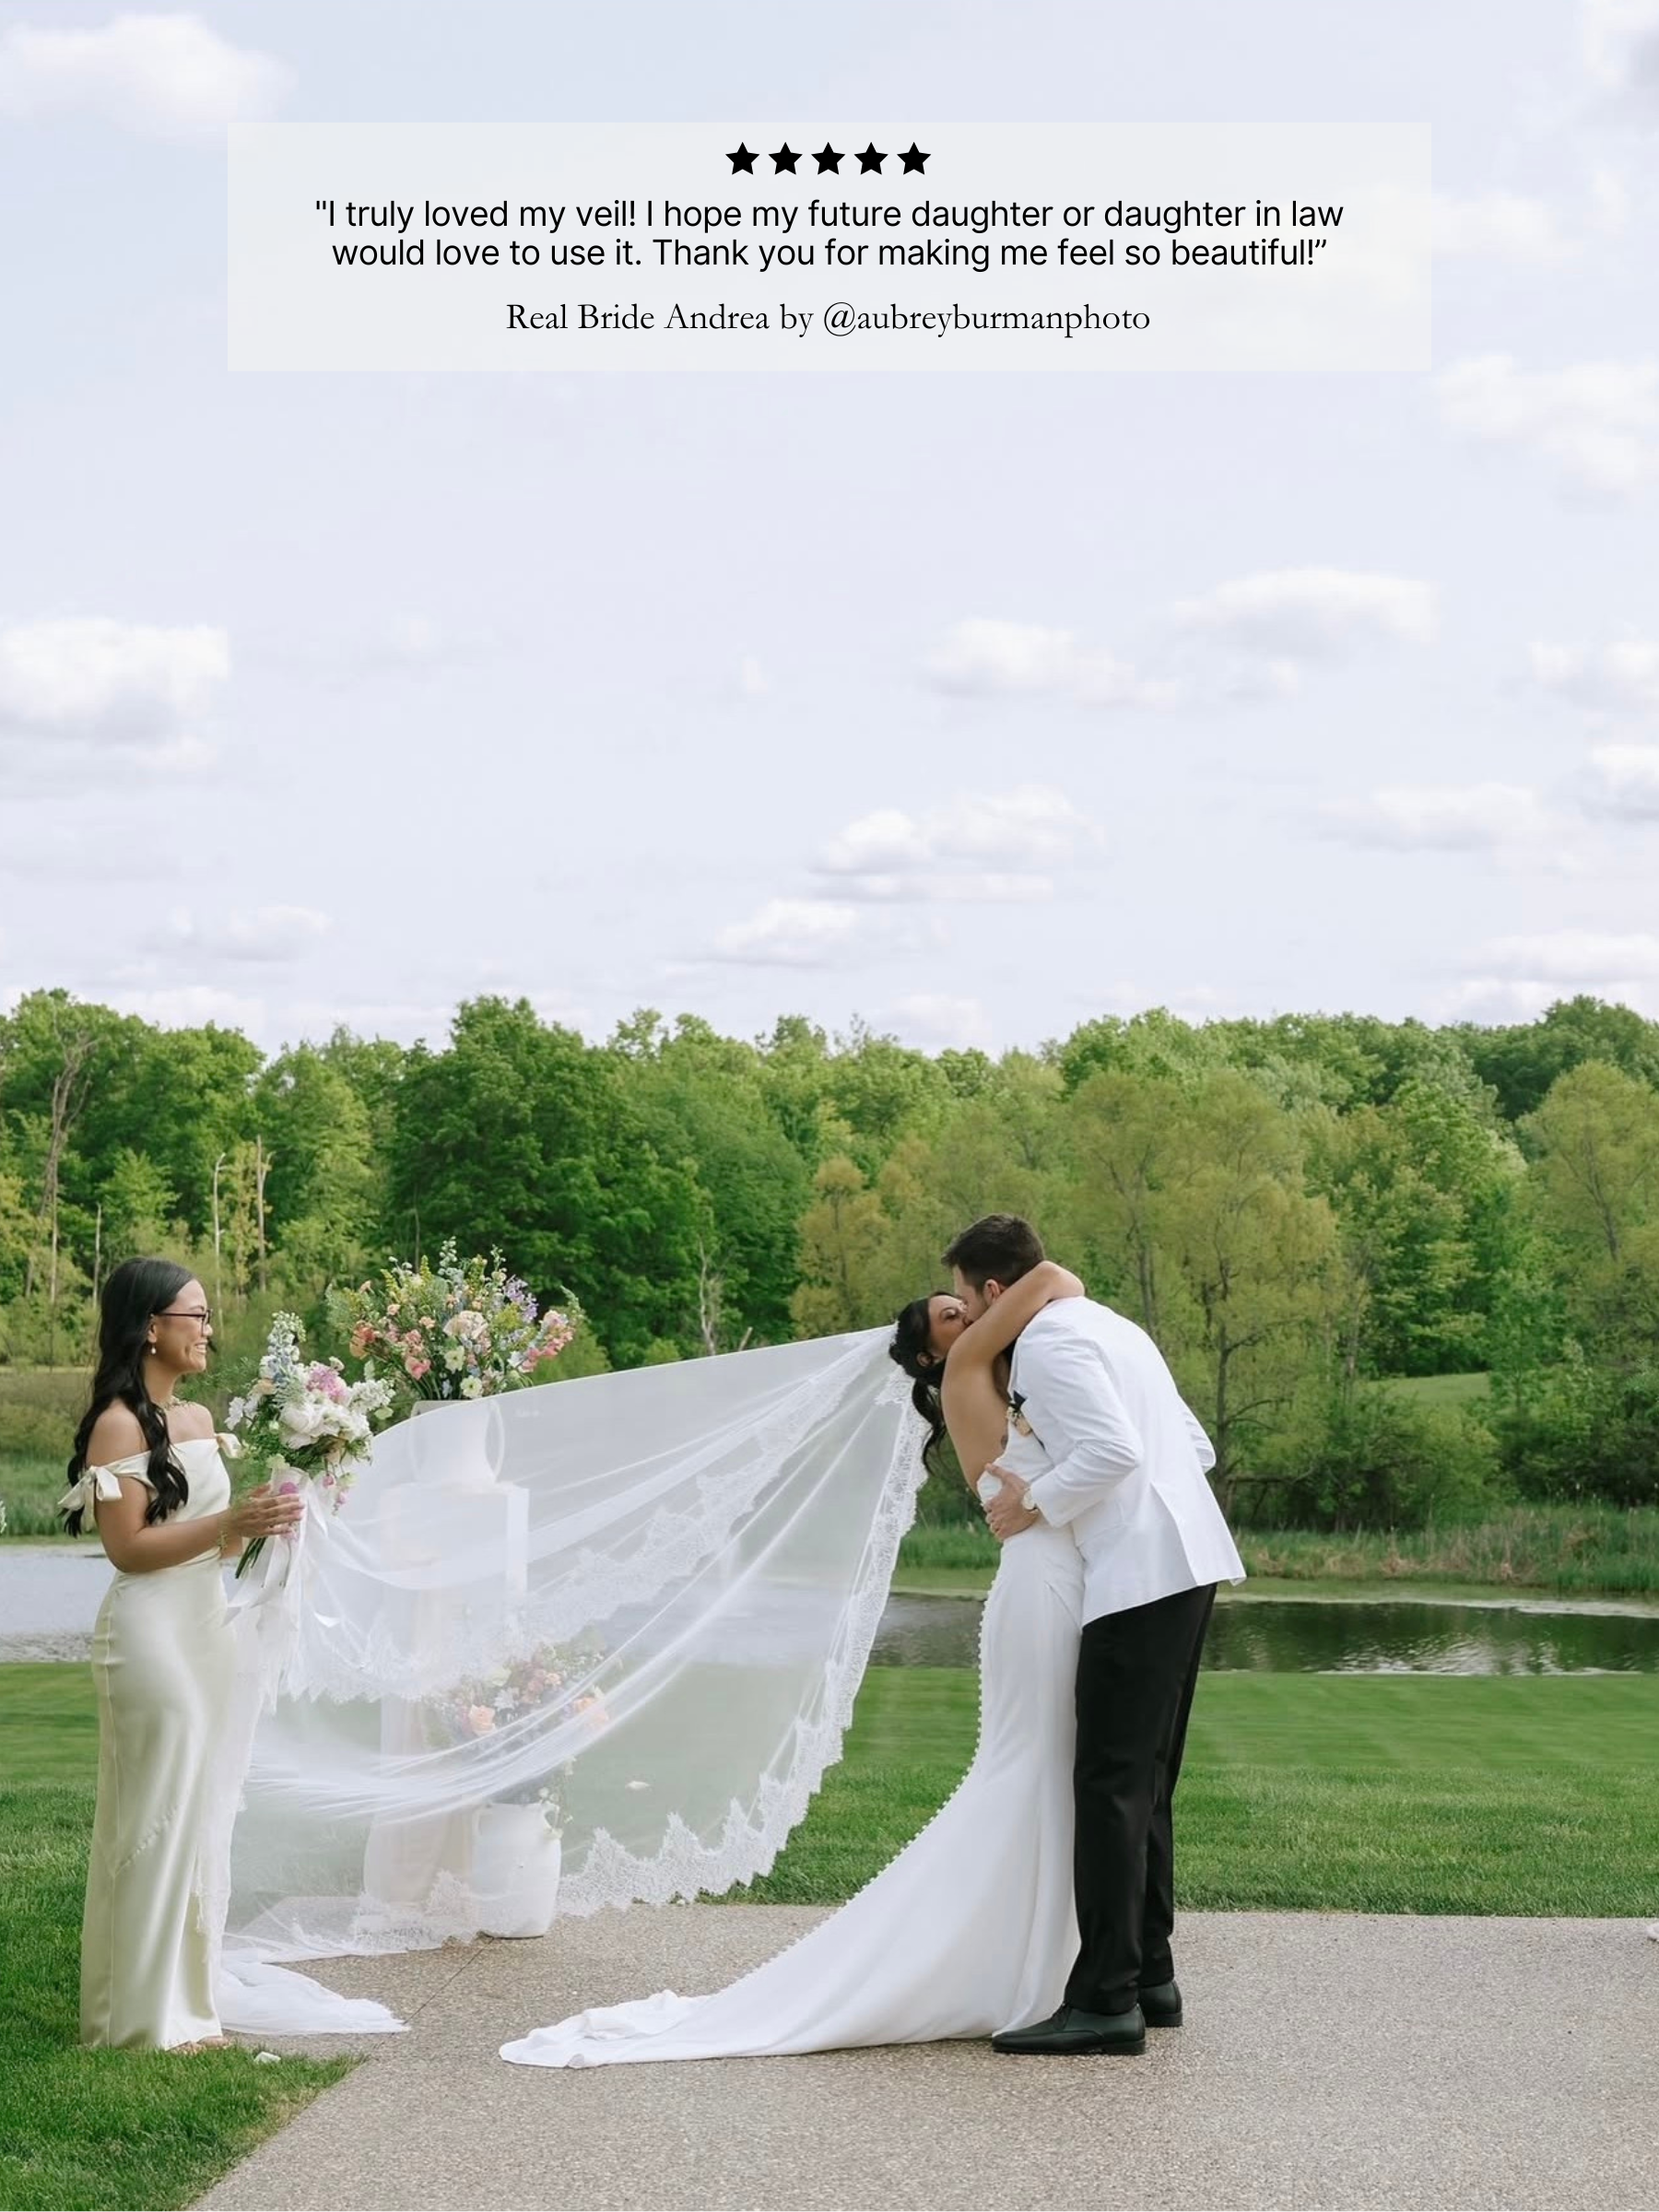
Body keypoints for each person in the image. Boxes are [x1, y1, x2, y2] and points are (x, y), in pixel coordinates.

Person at [497, 1256, 1091, 2067]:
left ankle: (1049, 1953)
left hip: (1052, 1577)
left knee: (1050, 1769)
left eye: (964, 1307)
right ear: (929, 1354)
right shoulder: (965, 1369)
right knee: (1031, 1766)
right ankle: (1007, 1960)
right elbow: (1055, 1277)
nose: (965, 1319)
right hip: (1039, 1587)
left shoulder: (1003, 1377)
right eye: (950, 1315)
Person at [947, 1215, 1246, 2056]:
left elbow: (1113, 1450)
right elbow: (1195, 1445)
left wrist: (1030, 1500)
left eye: (967, 1303)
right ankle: (1153, 1976)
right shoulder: (1117, 1328)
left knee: (1109, 1784)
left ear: (995, 1291)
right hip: (1189, 1565)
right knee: (1146, 1783)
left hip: (1138, 1576)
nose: (969, 1320)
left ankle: (1106, 2000)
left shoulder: (1045, 1345)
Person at [58, 1257, 303, 2051]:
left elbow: (212, 1539)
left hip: (207, 1628)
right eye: (193, 1315)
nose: (207, 1329)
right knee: (150, 1820)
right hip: (148, 1638)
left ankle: (186, 2006)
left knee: (195, 1817)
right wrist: (232, 1527)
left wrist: (274, 1523)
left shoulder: (197, 1422)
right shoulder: (118, 1427)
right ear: (150, 1326)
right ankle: (137, 2019)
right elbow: (129, 1549)